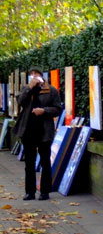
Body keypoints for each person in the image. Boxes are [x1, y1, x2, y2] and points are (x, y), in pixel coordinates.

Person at [13, 66, 62, 200]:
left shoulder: (51, 90)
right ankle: (30, 192)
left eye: (36, 74)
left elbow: (58, 109)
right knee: (29, 162)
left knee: (45, 161)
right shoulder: (26, 89)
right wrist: (29, 88)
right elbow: (20, 101)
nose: (34, 76)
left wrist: (44, 110)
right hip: (28, 130)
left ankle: (45, 191)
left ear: (42, 76)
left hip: (44, 131)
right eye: (32, 74)